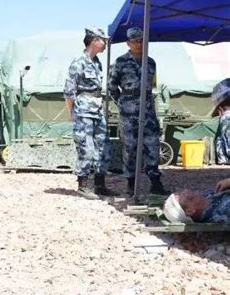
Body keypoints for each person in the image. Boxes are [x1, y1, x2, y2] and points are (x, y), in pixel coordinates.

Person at [108, 27, 169, 196]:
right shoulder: (120, 62)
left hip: (148, 108)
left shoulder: (151, 62)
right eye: (135, 41)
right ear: (128, 43)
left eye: (141, 40)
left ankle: (155, 183)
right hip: (128, 110)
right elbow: (112, 86)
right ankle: (130, 184)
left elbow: (153, 84)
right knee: (130, 146)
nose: (139, 44)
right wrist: (122, 103)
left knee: (152, 144)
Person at [64, 27, 114, 199]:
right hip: (84, 110)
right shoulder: (78, 63)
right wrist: (72, 112)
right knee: (86, 146)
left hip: (98, 108)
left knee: (103, 145)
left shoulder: (97, 62)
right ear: (93, 41)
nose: (105, 43)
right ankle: (83, 185)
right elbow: (69, 92)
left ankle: (100, 184)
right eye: (103, 40)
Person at [163, 188, 230, 224]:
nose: (186, 191)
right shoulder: (223, 211)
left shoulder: (206, 197)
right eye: (188, 197)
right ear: (190, 211)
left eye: (180, 193)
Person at [211, 78, 230, 165]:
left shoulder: (220, 100)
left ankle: (223, 159)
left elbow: (218, 113)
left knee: (223, 138)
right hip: (226, 116)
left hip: (225, 117)